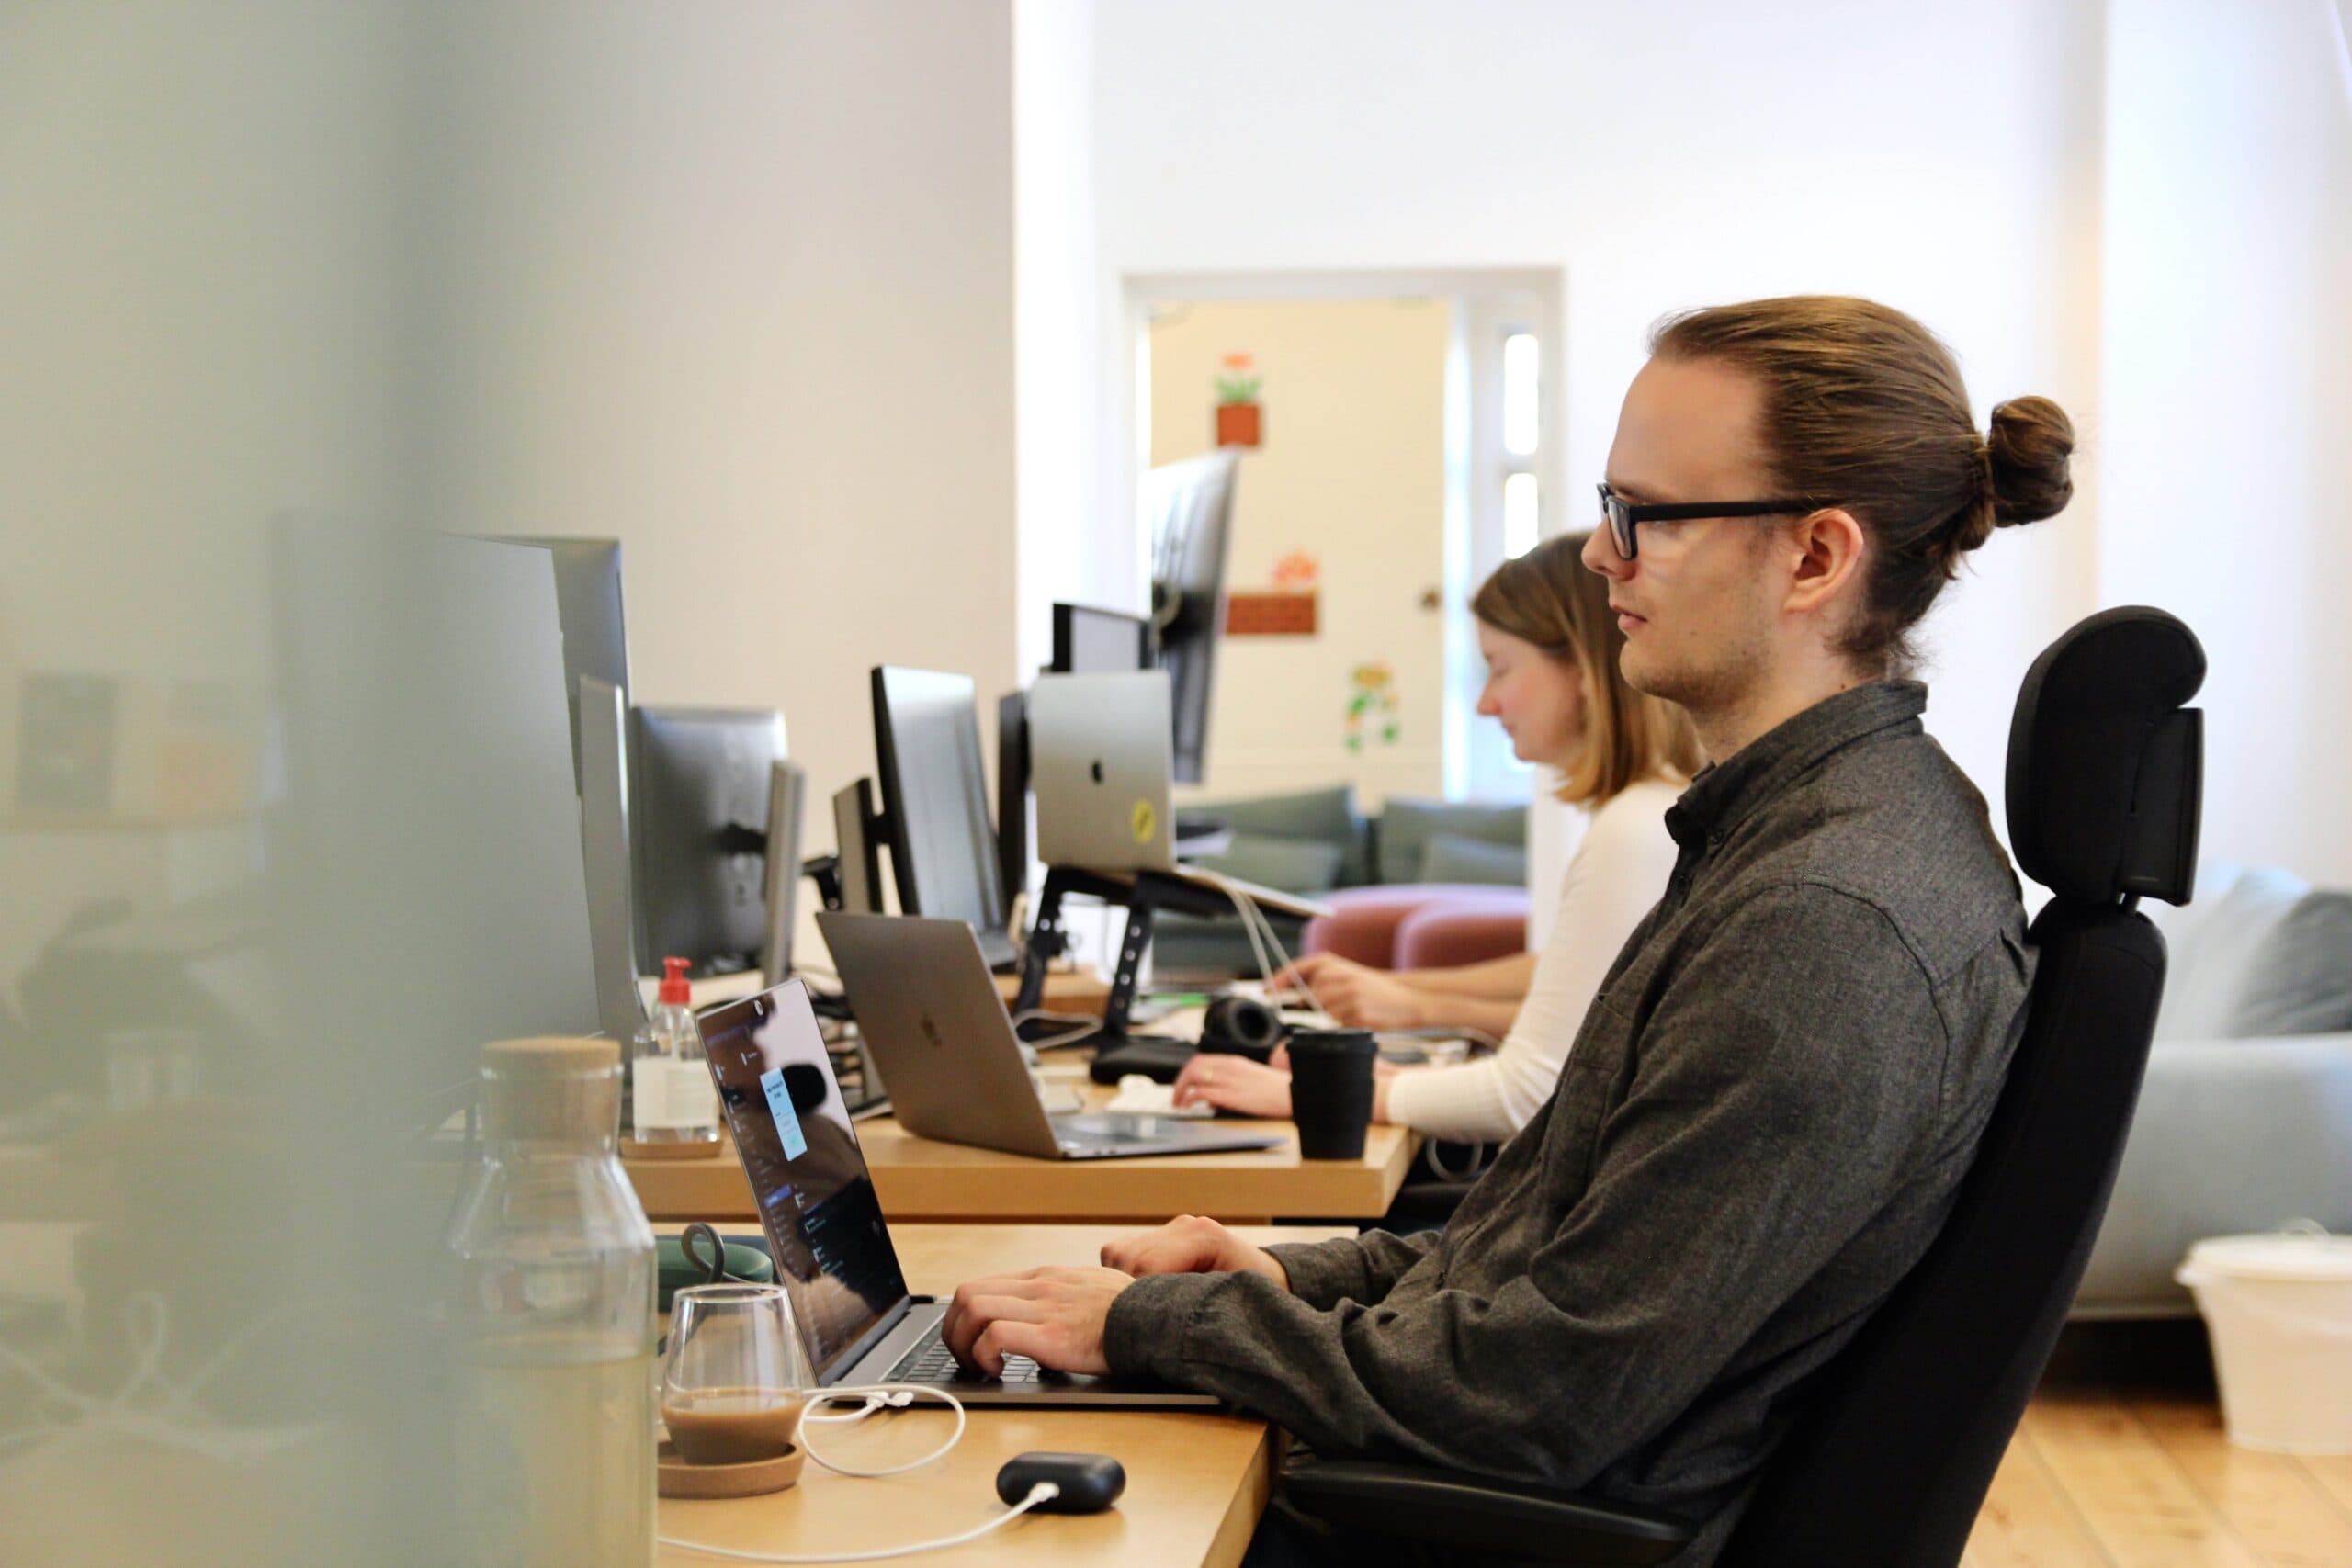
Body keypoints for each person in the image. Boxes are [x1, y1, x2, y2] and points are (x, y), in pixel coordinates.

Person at [941, 296, 2074, 1565]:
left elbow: (1540, 1395)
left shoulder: (1827, 922)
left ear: (1815, 557)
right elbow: (1547, 1257)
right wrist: (1276, 1280)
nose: (1600, 555)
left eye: (1644, 515)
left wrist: (1160, 1327)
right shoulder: (1790, 837)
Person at [1170, 532, 1699, 1143]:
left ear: (1580, 669)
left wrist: (1329, 1089)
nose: (1484, 703)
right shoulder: (1648, 812)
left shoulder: (1636, 829)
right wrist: (1400, 1006)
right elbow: (1565, 987)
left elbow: (1527, 1092)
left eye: (1500, 668)